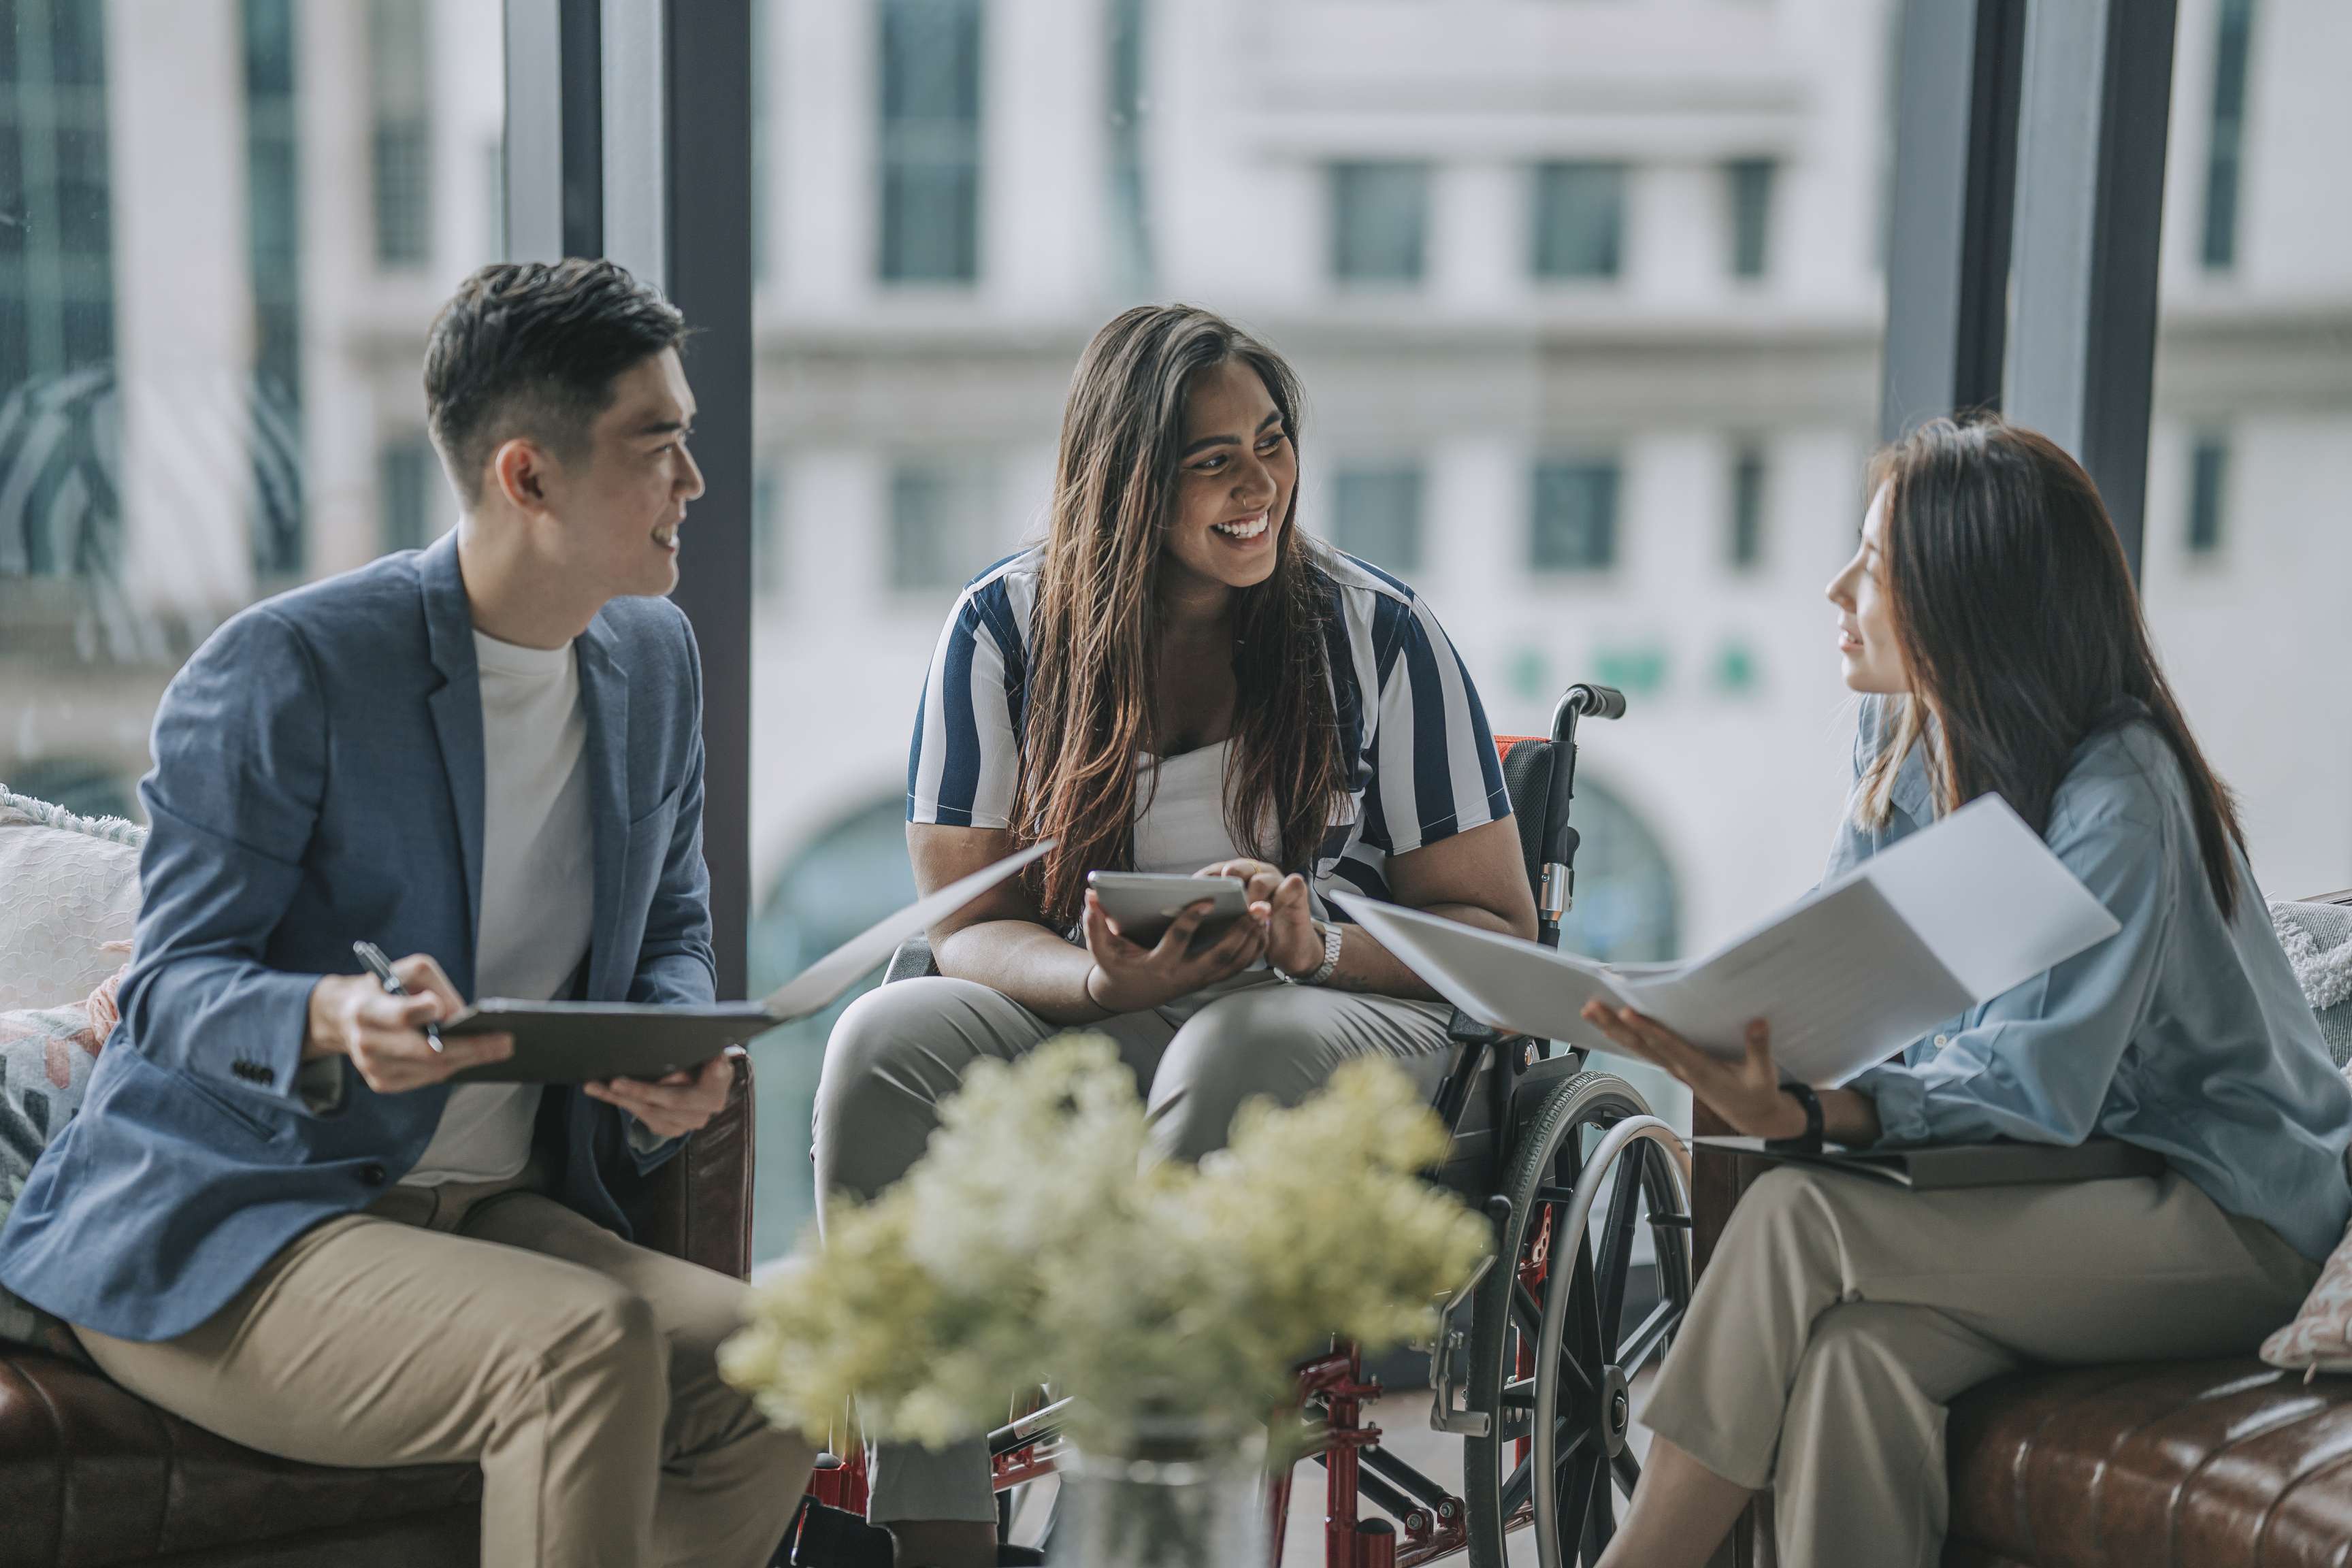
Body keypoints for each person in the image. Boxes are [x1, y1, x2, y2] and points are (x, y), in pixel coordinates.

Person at [0, 259, 813, 1568]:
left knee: (780, 1364)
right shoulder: (290, 670)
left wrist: (667, 1046)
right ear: (526, 477)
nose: (695, 483)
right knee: (582, 1351)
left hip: (487, 1206)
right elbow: (173, 986)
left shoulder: (652, 659)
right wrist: (331, 1015)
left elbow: (670, 927)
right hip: (238, 1227)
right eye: (658, 445)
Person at [813, 303, 1538, 1566]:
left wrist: (1320, 946)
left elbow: (1496, 929)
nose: (1262, 483)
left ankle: (1126, 1539)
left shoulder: (1381, 637)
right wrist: (1094, 980)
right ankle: (933, 1538)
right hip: (1094, 1010)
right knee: (883, 1040)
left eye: (1274, 441)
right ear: (1130, 477)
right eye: (1216, 459)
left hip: (1340, 1016)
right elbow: (965, 922)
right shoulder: (1006, 631)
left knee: (1238, 1046)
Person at [1578, 416, 2352, 1568]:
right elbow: (1852, 970)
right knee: (1856, 1363)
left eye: (1876, 566)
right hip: (2077, 1182)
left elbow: (2041, 1080)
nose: (1839, 589)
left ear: (1971, 597)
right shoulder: (1902, 742)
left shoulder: (2123, 789)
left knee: (1794, 1215)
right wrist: (1744, 1032)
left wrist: (1810, 1115)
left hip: (2231, 1219)